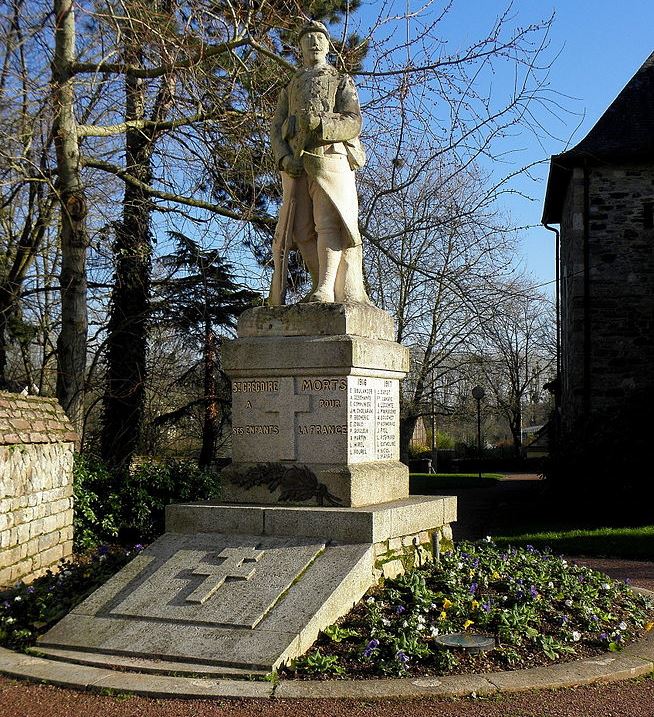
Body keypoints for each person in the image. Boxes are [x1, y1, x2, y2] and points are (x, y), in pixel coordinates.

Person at [269, 20, 370, 305]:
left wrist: (323, 124)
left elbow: (353, 121)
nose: (314, 42)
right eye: (308, 38)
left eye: (319, 38)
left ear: (327, 44)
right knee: (300, 230)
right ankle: (319, 284)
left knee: (327, 224)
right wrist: (285, 158)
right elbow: (276, 128)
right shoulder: (291, 86)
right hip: (297, 165)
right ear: (300, 46)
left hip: (329, 159)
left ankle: (326, 288)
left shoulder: (340, 80)